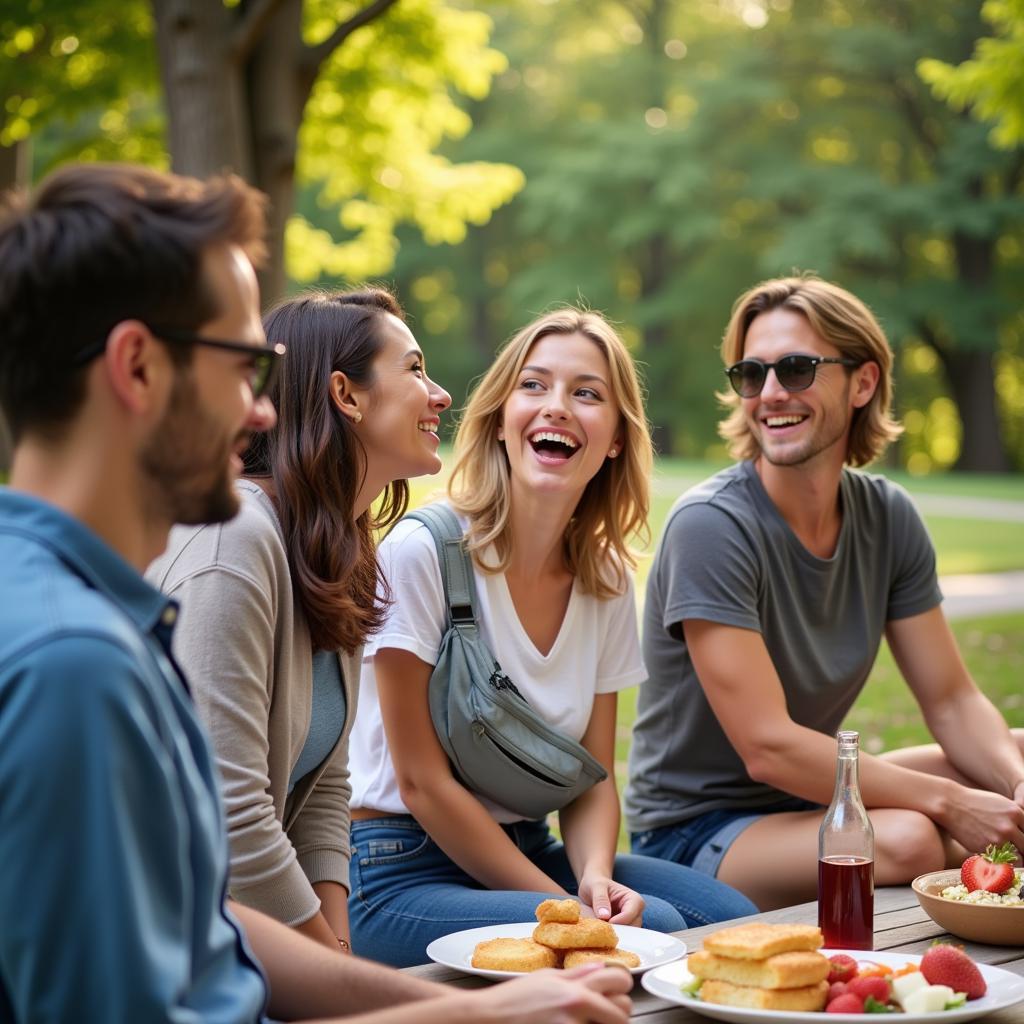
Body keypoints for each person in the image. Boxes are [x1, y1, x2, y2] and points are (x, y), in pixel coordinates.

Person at [0, 162, 633, 1024]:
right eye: (242, 366)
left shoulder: (103, 616)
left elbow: (204, 924)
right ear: (137, 369)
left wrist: (436, 1000)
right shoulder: (75, 661)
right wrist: (461, 1014)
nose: (264, 411)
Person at [347, 307, 758, 968]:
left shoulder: (607, 580)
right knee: (645, 939)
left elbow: (590, 779)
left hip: (530, 847)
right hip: (395, 868)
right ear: (501, 419)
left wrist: (593, 875)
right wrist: (572, 914)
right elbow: (420, 782)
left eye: (587, 393)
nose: (556, 407)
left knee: (734, 925)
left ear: (617, 437)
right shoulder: (423, 552)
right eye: (533, 386)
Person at [625, 274, 1024, 910]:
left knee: (1014, 754)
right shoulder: (712, 525)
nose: (771, 394)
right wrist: (953, 802)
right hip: (693, 833)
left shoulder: (887, 516)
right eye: (752, 375)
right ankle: (988, 871)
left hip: (814, 799)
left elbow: (951, 699)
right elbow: (768, 748)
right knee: (908, 839)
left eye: (797, 368)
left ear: (863, 382)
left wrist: (1013, 782)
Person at [147, 288, 450, 956]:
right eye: (416, 368)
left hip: (247, 927)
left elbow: (323, 789)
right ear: (347, 394)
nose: (441, 393)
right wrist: (333, 972)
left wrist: (336, 951)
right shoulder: (236, 544)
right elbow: (230, 809)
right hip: (159, 939)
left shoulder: (333, 545)